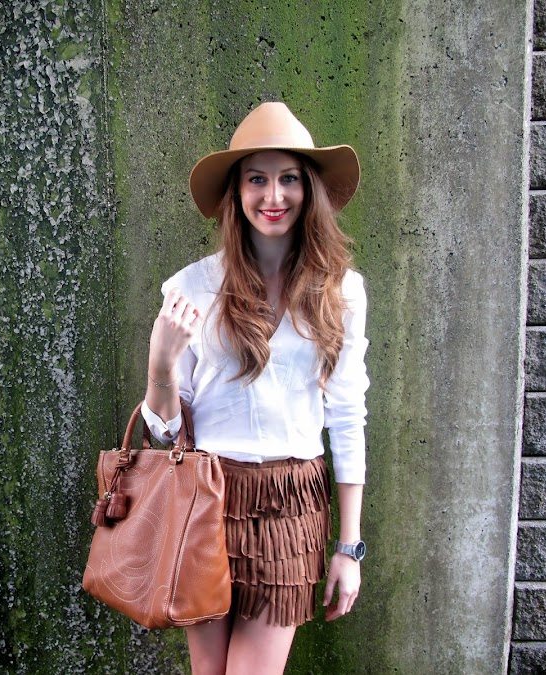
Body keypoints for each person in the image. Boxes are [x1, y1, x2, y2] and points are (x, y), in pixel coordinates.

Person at [141, 102, 369, 674]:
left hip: (290, 504)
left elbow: (346, 415)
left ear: (308, 189)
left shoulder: (341, 292)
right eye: (257, 179)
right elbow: (167, 433)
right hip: (206, 496)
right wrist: (161, 365)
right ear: (237, 192)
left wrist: (349, 547)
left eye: (288, 178)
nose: (274, 195)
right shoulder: (193, 287)